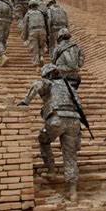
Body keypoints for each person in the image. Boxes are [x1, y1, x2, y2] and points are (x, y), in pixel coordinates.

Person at [18, 64, 82, 201]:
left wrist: (25, 102)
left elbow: (37, 85)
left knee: (43, 139)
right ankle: (73, 191)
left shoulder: (48, 82)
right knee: (70, 156)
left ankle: (51, 170)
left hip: (56, 119)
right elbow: (79, 106)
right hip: (74, 122)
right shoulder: (70, 88)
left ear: (47, 75)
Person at [22, 0, 48, 67]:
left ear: (30, 6)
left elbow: (25, 25)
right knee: (41, 45)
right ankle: (41, 56)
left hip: (33, 31)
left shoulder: (28, 13)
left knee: (34, 48)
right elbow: (46, 23)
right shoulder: (41, 13)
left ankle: (36, 65)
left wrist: (24, 36)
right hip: (42, 31)